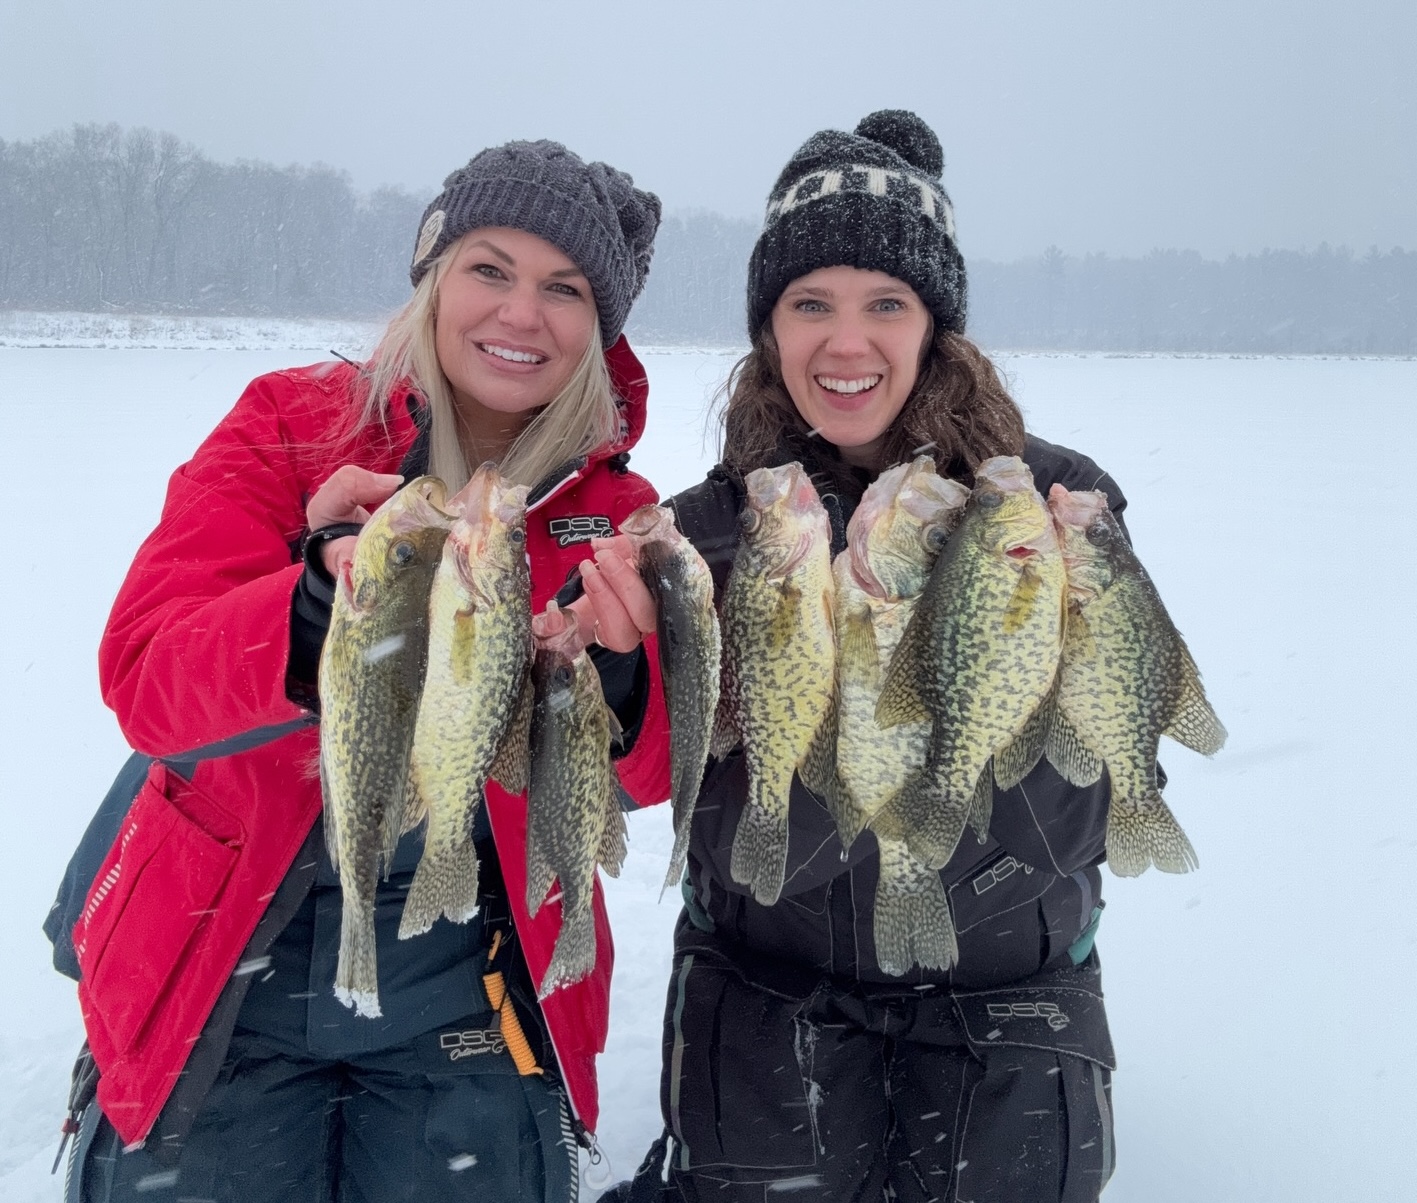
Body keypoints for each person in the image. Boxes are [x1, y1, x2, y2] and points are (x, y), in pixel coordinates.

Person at [64, 139, 666, 1202]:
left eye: (564, 289)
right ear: (432, 276)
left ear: (598, 327)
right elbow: (148, 678)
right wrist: (306, 608)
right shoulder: (289, 425)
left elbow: (647, 773)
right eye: (489, 269)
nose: (520, 314)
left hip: (468, 985)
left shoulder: (612, 511)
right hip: (225, 963)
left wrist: (614, 684)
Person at [599, 111, 1124, 1202]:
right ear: (768, 328)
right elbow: (674, 793)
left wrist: (980, 700)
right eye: (810, 304)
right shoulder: (708, 532)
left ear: (936, 323)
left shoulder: (1043, 509)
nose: (847, 344)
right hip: (763, 991)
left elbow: (1083, 815)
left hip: (1007, 990)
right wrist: (611, 670)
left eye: (886, 302)